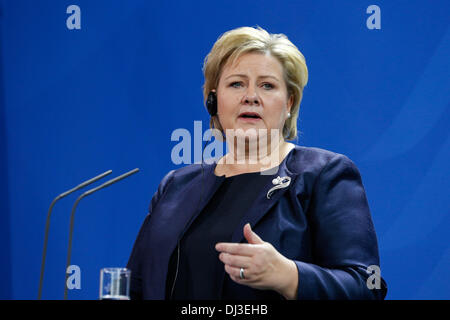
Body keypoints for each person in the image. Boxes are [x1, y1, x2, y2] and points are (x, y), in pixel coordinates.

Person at [126, 26, 387, 300]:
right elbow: (134, 286)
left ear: (289, 103)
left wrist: (289, 275)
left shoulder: (324, 174)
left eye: (267, 85)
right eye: (236, 84)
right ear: (213, 101)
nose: (251, 96)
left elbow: (366, 286)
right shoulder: (176, 185)